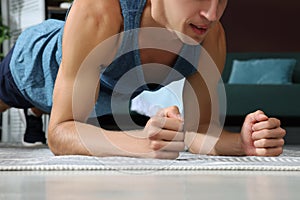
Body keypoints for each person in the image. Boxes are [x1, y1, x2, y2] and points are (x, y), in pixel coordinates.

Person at [0, 0, 286, 158]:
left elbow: (199, 131)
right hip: (31, 68)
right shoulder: (100, 10)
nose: (211, 13)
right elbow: (60, 134)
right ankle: (36, 109)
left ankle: (37, 113)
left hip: (96, 98)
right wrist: (141, 143)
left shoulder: (211, 36)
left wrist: (241, 143)